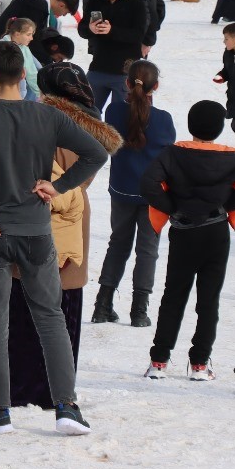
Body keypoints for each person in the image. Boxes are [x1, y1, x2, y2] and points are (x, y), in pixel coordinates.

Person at [0, 41, 108, 434]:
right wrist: (59, 187)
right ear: (24, 75)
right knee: (51, 318)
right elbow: (96, 154)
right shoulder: (48, 116)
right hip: (37, 232)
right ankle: (66, 408)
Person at [141, 101, 235, 380]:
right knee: (209, 298)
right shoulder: (233, 157)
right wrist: (227, 203)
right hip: (215, 231)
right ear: (220, 127)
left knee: (173, 295)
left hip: (183, 231)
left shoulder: (173, 154)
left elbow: (148, 183)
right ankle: (199, 363)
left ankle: (159, 361)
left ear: (190, 125)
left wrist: (172, 206)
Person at [94, 60, 175, 327]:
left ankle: (102, 304)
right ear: (157, 87)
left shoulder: (114, 111)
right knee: (147, 251)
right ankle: (139, 310)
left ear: (127, 83)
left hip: (121, 189)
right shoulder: (163, 119)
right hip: (153, 195)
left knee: (118, 243)